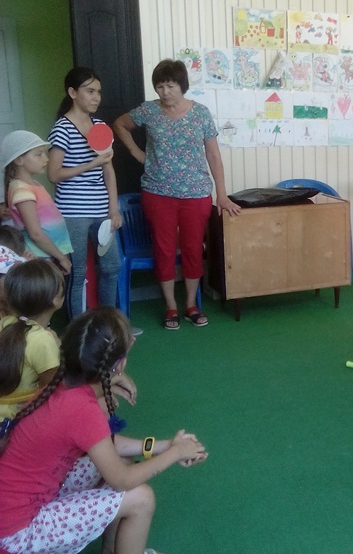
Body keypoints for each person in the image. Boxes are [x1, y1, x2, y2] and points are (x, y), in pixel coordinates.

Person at [0, 306, 207, 554]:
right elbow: (122, 480)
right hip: (16, 534)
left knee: (122, 459)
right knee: (142, 499)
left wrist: (165, 446)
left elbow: (105, 444)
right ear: (120, 365)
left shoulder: (64, 386)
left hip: (15, 509)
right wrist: (175, 454)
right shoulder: (82, 409)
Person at [114, 59, 241, 330]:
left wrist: (222, 194)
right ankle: (171, 306)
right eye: (160, 86)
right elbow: (120, 124)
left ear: (182, 85)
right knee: (164, 249)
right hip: (158, 193)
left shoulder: (201, 113)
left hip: (196, 194)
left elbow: (213, 155)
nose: (165, 92)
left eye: (170, 86)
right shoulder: (149, 111)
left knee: (194, 248)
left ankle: (191, 304)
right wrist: (137, 153)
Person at [47, 67, 122, 321]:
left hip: (102, 211)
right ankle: (78, 331)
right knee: (77, 273)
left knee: (112, 267)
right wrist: (92, 163)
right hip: (73, 212)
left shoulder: (100, 126)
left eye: (98, 92)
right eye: (90, 91)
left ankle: (108, 323)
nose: (96, 97)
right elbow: (53, 174)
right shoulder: (62, 128)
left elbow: (109, 170)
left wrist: (114, 209)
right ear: (72, 93)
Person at [0, 259, 64, 420]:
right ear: (56, 299)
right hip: (13, 421)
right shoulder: (43, 341)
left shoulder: (6, 323)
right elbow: (53, 389)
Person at [1, 131, 73, 274]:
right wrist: (61, 257)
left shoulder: (33, 185)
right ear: (19, 160)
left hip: (51, 253)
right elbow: (35, 233)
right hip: (41, 257)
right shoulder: (22, 190)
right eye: (39, 154)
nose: (46, 159)